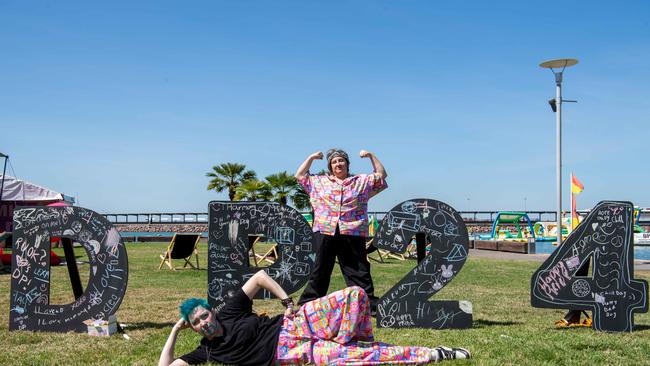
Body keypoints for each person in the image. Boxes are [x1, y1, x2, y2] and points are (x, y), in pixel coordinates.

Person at [158, 270, 470, 365]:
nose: (203, 322)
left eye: (203, 315)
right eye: (196, 322)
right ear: (193, 327)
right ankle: (432, 354)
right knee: (357, 358)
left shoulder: (229, 311)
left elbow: (259, 276)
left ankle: (352, 340)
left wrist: (286, 302)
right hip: (289, 352)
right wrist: (174, 329)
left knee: (356, 296)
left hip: (295, 322)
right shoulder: (207, 351)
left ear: (211, 311)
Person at [295, 148, 387, 312]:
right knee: (320, 268)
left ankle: (367, 305)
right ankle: (308, 304)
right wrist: (311, 157)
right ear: (330, 166)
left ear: (347, 164)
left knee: (358, 269)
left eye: (341, 160)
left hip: (352, 230)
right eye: (334, 161)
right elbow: (300, 176)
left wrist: (371, 155)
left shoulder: (360, 180)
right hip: (325, 229)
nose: (338, 163)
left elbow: (381, 175)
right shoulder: (319, 181)